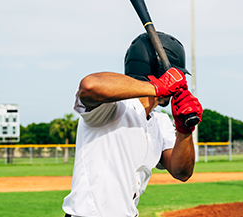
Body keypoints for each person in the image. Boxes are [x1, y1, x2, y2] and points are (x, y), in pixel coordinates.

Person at [62, 32, 203, 217]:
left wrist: (185, 129)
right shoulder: (111, 107)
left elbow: (181, 171)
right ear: (162, 75)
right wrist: (158, 87)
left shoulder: (161, 122)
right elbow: (89, 86)